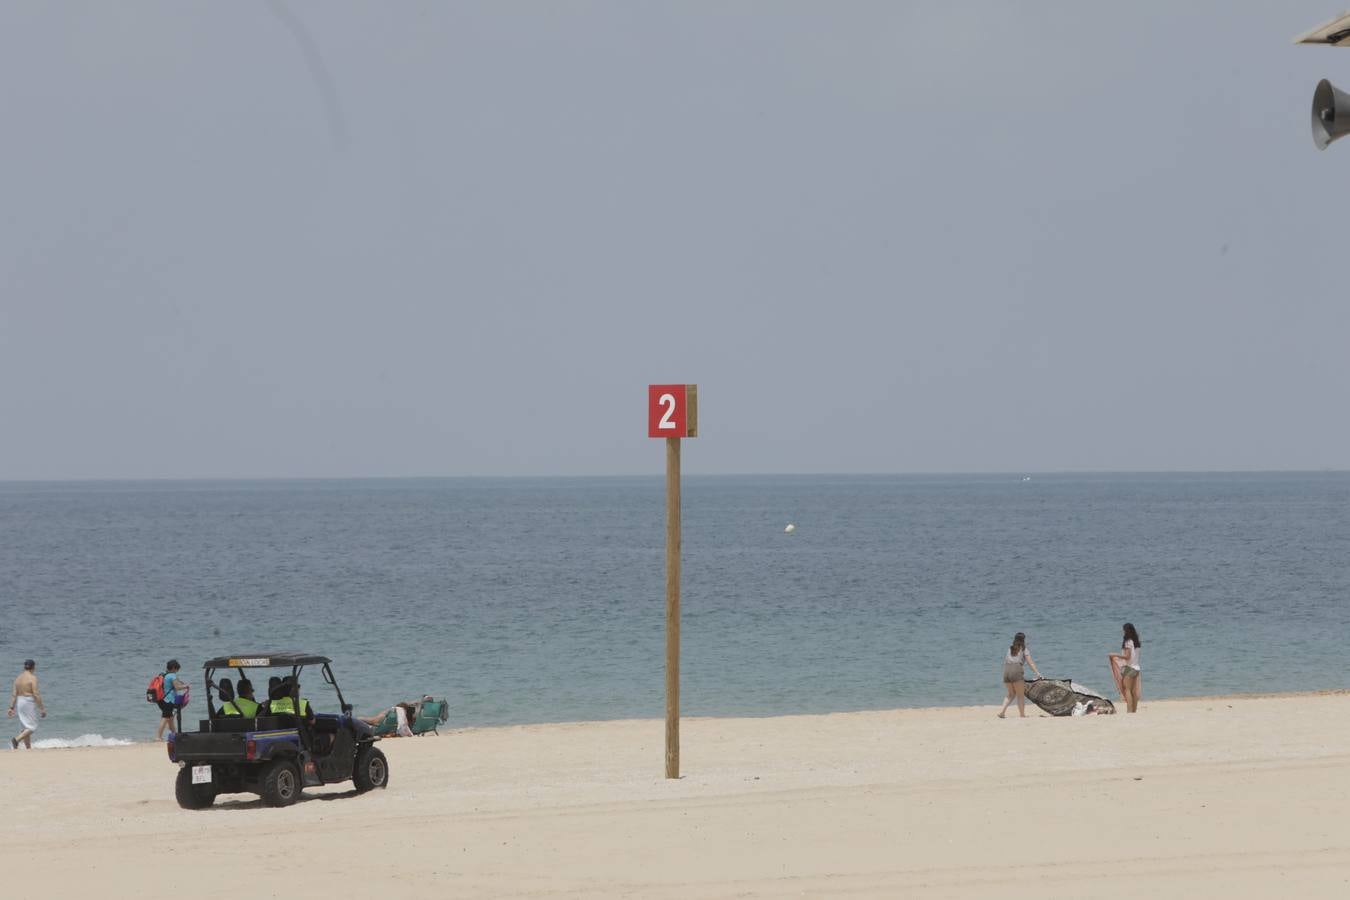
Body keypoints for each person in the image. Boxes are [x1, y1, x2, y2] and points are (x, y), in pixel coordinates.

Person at [998, 632, 1041, 718]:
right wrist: (1038, 673)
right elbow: (1030, 663)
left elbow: (1006, 661)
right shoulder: (1024, 649)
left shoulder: (1010, 649)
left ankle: (1002, 712)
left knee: (1010, 694)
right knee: (1020, 695)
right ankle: (1022, 715)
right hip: (1016, 671)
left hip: (1006, 671)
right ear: (1023, 640)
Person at [8, 659, 47, 750]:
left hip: (19, 702)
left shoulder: (18, 678)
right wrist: (42, 708)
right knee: (32, 726)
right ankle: (16, 740)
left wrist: (11, 707)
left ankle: (28, 748)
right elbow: (36, 694)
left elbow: (14, 694)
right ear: (33, 667)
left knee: (25, 727)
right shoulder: (33, 678)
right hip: (28, 701)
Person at [1109, 623, 1143, 713]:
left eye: (1123, 630)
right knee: (1133, 691)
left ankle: (1129, 711)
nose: (1122, 632)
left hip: (1129, 668)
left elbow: (1127, 657)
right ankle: (1134, 711)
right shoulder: (1136, 642)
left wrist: (1114, 654)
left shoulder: (1128, 642)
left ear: (1126, 631)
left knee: (1127, 690)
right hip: (1137, 668)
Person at [155, 659, 188, 741]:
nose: (176, 671)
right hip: (168, 700)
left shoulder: (164, 675)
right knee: (165, 718)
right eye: (176, 669)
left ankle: (175, 735)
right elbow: (177, 687)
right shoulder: (172, 675)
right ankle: (158, 737)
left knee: (170, 719)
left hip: (161, 700)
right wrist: (186, 686)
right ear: (173, 668)